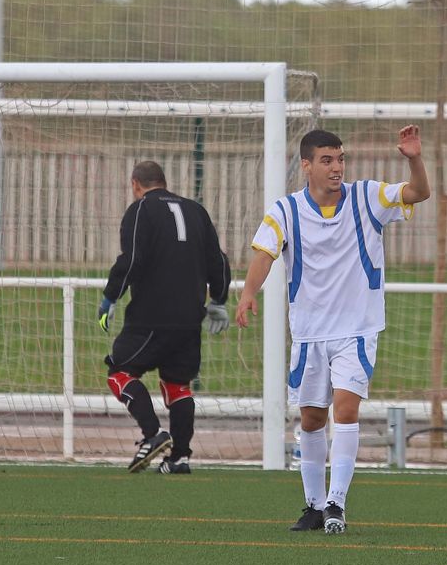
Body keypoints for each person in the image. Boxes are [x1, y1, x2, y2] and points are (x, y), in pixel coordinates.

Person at [235, 126, 429, 533]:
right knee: (311, 418)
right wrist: (248, 293)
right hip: (309, 333)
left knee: (346, 409)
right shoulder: (286, 210)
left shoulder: (368, 197)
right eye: (327, 160)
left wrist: (414, 158)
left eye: (340, 159)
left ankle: (336, 503)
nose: (337, 167)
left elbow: (418, 192)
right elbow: (264, 253)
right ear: (306, 166)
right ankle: (312, 505)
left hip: (356, 330)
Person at [100, 160, 232, 474]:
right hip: (190, 317)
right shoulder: (196, 211)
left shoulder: (140, 210)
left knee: (119, 373)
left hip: (151, 316)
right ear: (164, 182)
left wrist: (111, 296)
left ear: (135, 184)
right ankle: (179, 458)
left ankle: (152, 434)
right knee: (178, 384)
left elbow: (132, 258)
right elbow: (218, 260)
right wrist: (219, 300)